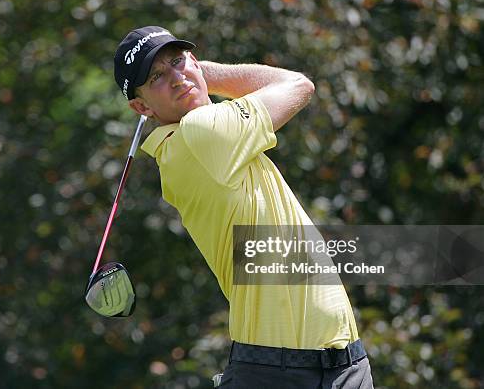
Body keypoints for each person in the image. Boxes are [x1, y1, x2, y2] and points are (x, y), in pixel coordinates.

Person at [113, 26, 374, 388]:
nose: (176, 78)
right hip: (277, 373)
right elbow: (298, 85)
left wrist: (193, 72)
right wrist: (209, 72)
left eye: (177, 61)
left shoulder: (194, 140)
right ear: (141, 106)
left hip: (345, 364)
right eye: (157, 76)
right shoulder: (201, 133)